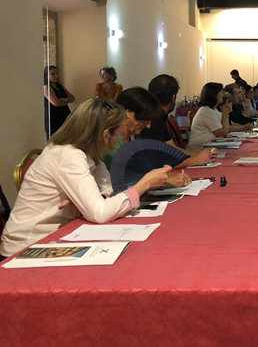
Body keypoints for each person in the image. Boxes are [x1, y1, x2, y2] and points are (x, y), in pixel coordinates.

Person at [0, 98, 171, 259]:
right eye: (119, 131)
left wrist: (92, 200)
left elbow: (109, 193)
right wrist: (143, 185)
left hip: (55, 236)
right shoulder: (68, 155)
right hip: (26, 247)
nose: (120, 135)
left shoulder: (90, 156)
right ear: (106, 135)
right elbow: (100, 213)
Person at [102, 88, 190, 188]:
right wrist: (164, 181)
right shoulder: (112, 139)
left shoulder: (135, 136)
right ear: (128, 113)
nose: (148, 125)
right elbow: (120, 177)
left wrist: (166, 175)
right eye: (146, 118)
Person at [139, 74, 216, 166]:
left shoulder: (159, 116)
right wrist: (195, 160)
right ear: (173, 98)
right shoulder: (153, 118)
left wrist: (197, 155)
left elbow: (171, 147)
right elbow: (160, 159)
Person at [188, 83, 232, 148]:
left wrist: (225, 114)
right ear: (214, 95)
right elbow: (222, 132)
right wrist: (225, 114)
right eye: (220, 92)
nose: (222, 95)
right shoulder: (206, 111)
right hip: (198, 148)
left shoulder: (213, 110)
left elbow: (225, 127)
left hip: (209, 145)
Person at [43, 65, 75, 140]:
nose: (56, 76)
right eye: (52, 74)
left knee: (68, 137)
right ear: (46, 76)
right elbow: (56, 103)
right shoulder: (46, 87)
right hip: (53, 116)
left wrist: (66, 100)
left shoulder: (60, 86)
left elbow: (72, 98)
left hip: (65, 114)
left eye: (57, 73)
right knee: (55, 138)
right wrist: (67, 101)